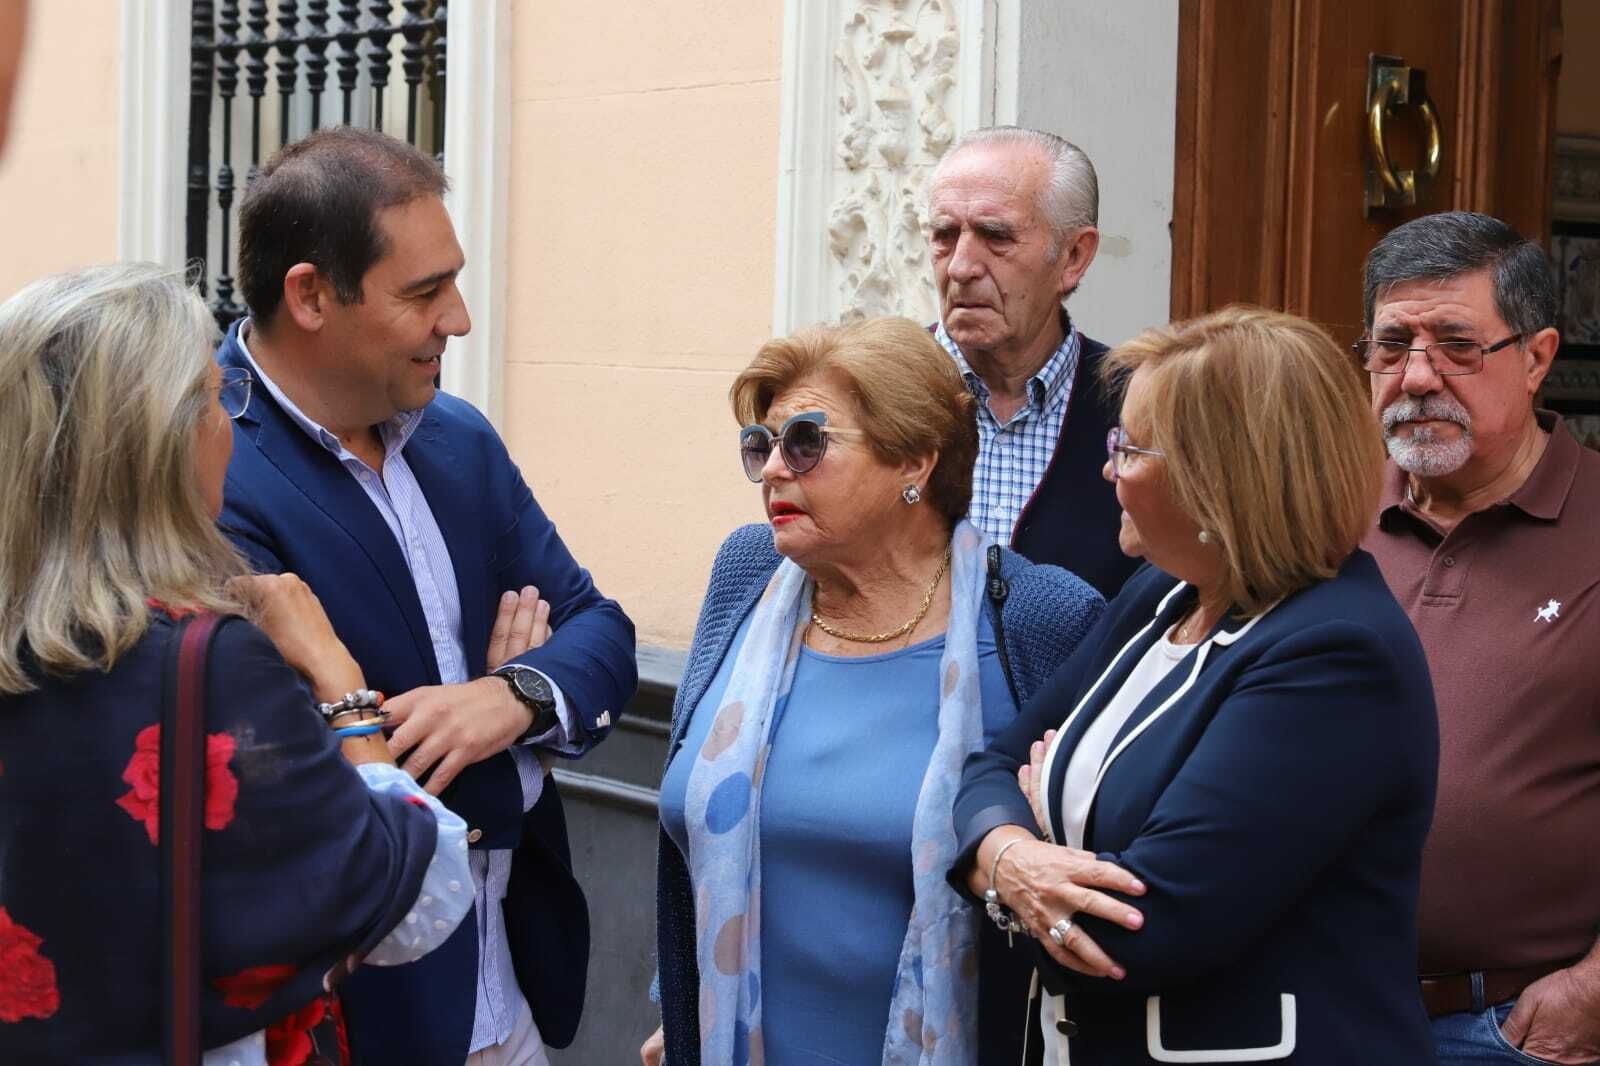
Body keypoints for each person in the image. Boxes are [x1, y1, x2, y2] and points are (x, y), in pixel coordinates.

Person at [218, 127, 638, 1065]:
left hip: (513, 988)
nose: (460, 318)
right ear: (310, 295)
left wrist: (511, 697)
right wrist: (514, 755)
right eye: (424, 292)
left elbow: (603, 631)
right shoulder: (209, 463)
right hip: (359, 1020)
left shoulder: (458, 439)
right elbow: (307, 768)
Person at [0, 263, 475, 1064]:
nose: (229, 424)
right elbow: (413, 900)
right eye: (216, 397)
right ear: (159, 442)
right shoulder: (209, 669)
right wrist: (336, 677)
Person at [952, 307, 1440, 1065]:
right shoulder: (1162, 595)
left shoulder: (1337, 656)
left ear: (1220, 479)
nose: (1108, 469)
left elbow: (1140, 934)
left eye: (1131, 448)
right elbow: (988, 768)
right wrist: (1016, 858)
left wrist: (1018, 852)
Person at [640, 317, 1104, 1066]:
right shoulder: (745, 577)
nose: (773, 472)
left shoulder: (1040, 619)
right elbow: (697, 831)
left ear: (914, 460)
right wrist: (683, 1005)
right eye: (762, 447)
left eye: (806, 442)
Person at [1358, 211, 1600, 1066]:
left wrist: (1597, 990)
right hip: (1322, 1007)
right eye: (1393, 346)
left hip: (1513, 1028)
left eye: (1457, 345)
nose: (1417, 377)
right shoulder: (1323, 518)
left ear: (1536, 358)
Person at [926, 125, 1137, 600]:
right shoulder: (866, 391)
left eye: (995, 236)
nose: (960, 266)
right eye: (944, 234)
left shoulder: (1146, 409)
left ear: (1074, 256)